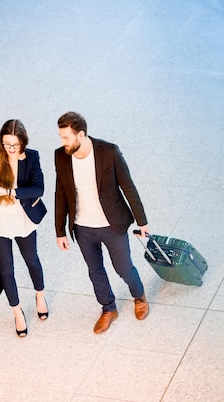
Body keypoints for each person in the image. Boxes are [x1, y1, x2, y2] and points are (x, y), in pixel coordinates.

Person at [54, 111, 149, 334]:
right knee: (95, 270)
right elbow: (60, 193)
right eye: (61, 137)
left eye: (66, 137)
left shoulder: (108, 151)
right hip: (83, 227)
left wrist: (142, 221)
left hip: (111, 224)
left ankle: (139, 296)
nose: (62, 142)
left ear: (81, 135)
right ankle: (108, 308)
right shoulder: (61, 156)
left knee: (124, 268)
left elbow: (128, 187)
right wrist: (60, 231)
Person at [0, 119, 48, 337]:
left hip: (23, 218)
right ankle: (17, 312)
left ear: (23, 142)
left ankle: (40, 295)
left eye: (15, 145)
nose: (10, 149)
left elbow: (39, 189)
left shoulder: (32, 157)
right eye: (6, 144)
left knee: (32, 260)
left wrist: (10, 192)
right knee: (7, 270)